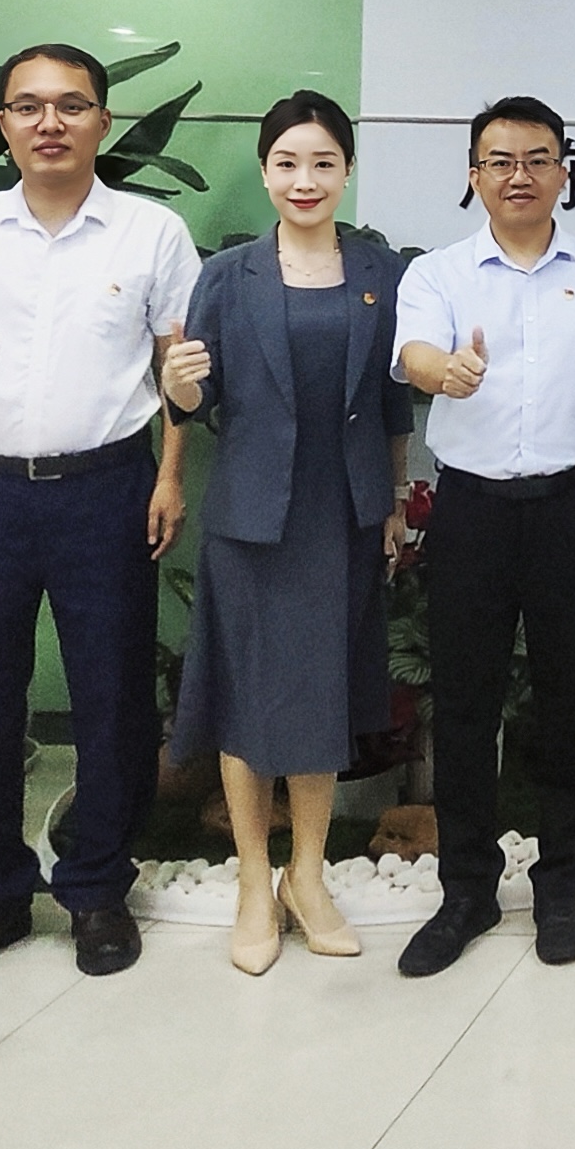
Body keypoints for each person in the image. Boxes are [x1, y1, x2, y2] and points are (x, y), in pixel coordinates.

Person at [0, 43, 200, 996]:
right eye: (28, 105)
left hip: (105, 487)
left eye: (71, 104)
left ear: (102, 120)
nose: (49, 122)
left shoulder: (151, 231)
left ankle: (98, 887)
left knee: (113, 695)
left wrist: (170, 474)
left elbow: (179, 362)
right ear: (5, 125)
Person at [387, 96, 575, 977]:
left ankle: (559, 884)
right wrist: (448, 371)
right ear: (474, 175)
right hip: (472, 508)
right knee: (465, 701)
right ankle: (466, 889)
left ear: (563, 172)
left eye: (537, 159)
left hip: (570, 504)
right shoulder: (439, 273)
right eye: (499, 161)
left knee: (567, 698)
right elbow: (414, 357)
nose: (518, 175)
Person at [159, 91, 418, 975]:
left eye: (322, 163)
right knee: (248, 695)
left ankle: (307, 876)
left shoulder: (380, 269)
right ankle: (251, 879)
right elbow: (194, 398)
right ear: (266, 170)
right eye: (286, 163)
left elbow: (391, 400)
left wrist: (393, 496)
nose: (304, 180)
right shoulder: (228, 275)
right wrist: (179, 385)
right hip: (252, 518)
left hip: (341, 512)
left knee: (320, 692)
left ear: (346, 170)